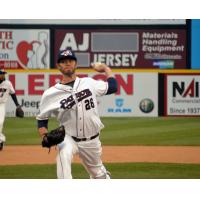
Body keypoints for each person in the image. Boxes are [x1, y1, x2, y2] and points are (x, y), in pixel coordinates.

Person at [36, 49, 118, 179]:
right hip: (68, 137)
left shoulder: (89, 83)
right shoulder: (50, 94)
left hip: (92, 141)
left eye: (70, 60)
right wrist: (44, 135)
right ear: (58, 66)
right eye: (63, 61)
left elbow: (113, 87)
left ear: (76, 64)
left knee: (99, 176)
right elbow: (42, 120)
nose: (67, 63)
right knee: (63, 154)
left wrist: (106, 68)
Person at [0, 69, 23, 150]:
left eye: (4, 73)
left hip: (1, 105)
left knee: (0, 122)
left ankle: (1, 140)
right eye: (1, 73)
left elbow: (13, 94)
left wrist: (17, 105)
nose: (3, 75)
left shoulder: (8, 83)